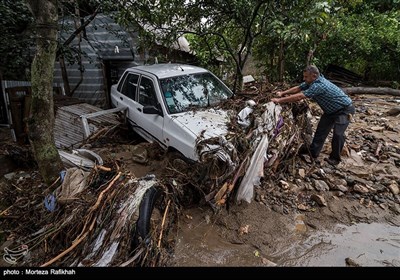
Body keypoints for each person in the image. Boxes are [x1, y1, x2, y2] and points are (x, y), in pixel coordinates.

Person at [271, 65, 355, 166]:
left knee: (338, 134)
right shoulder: (311, 82)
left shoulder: (319, 85)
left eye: (306, 77)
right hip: (330, 111)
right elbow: (298, 88)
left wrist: (279, 100)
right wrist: (282, 93)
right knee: (320, 132)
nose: (304, 79)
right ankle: (313, 152)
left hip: (344, 110)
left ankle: (335, 159)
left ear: (314, 76)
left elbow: (300, 96)